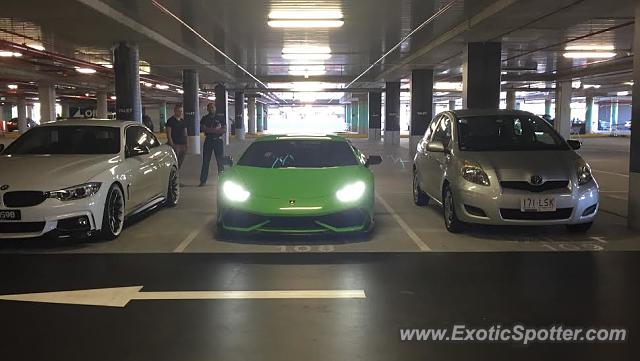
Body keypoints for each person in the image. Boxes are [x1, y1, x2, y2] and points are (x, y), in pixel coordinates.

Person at [199, 102, 227, 186]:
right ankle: (203, 181)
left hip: (218, 141)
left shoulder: (221, 118)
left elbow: (224, 130)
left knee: (220, 161)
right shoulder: (204, 118)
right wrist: (216, 130)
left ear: (215, 108)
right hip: (208, 141)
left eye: (212, 107)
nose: (211, 109)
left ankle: (222, 180)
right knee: (205, 161)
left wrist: (209, 130)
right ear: (207, 109)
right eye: (209, 108)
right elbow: (202, 129)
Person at [166, 104, 188, 168]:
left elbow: (185, 133)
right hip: (175, 144)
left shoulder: (183, 121)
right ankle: (173, 173)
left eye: (181, 111)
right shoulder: (170, 121)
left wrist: (187, 143)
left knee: (180, 161)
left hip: (183, 144)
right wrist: (171, 143)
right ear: (175, 111)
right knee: (174, 161)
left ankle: (177, 172)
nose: (180, 113)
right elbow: (168, 133)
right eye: (179, 111)